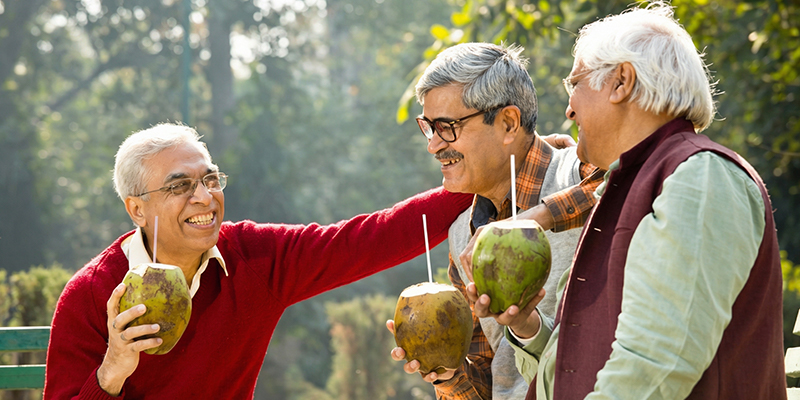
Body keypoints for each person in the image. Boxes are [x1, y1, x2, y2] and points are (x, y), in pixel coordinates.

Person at [461, 3, 786, 399]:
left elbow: (657, 365)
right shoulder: (627, 189)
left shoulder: (698, 178)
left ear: (621, 82)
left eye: (575, 84)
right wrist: (527, 325)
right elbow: (581, 366)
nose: (569, 109)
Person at [43, 123, 474, 399]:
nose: (204, 197)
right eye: (180, 186)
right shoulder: (93, 294)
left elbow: (369, 238)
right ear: (136, 209)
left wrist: (485, 174)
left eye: (210, 179)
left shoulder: (254, 257)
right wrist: (111, 372)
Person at [387, 42, 603, 399]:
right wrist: (448, 374)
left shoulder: (578, 174)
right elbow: (489, 380)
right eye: (429, 127)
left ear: (508, 123)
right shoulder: (462, 236)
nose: (434, 146)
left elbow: (626, 180)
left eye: (448, 127)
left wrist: (538, 217)